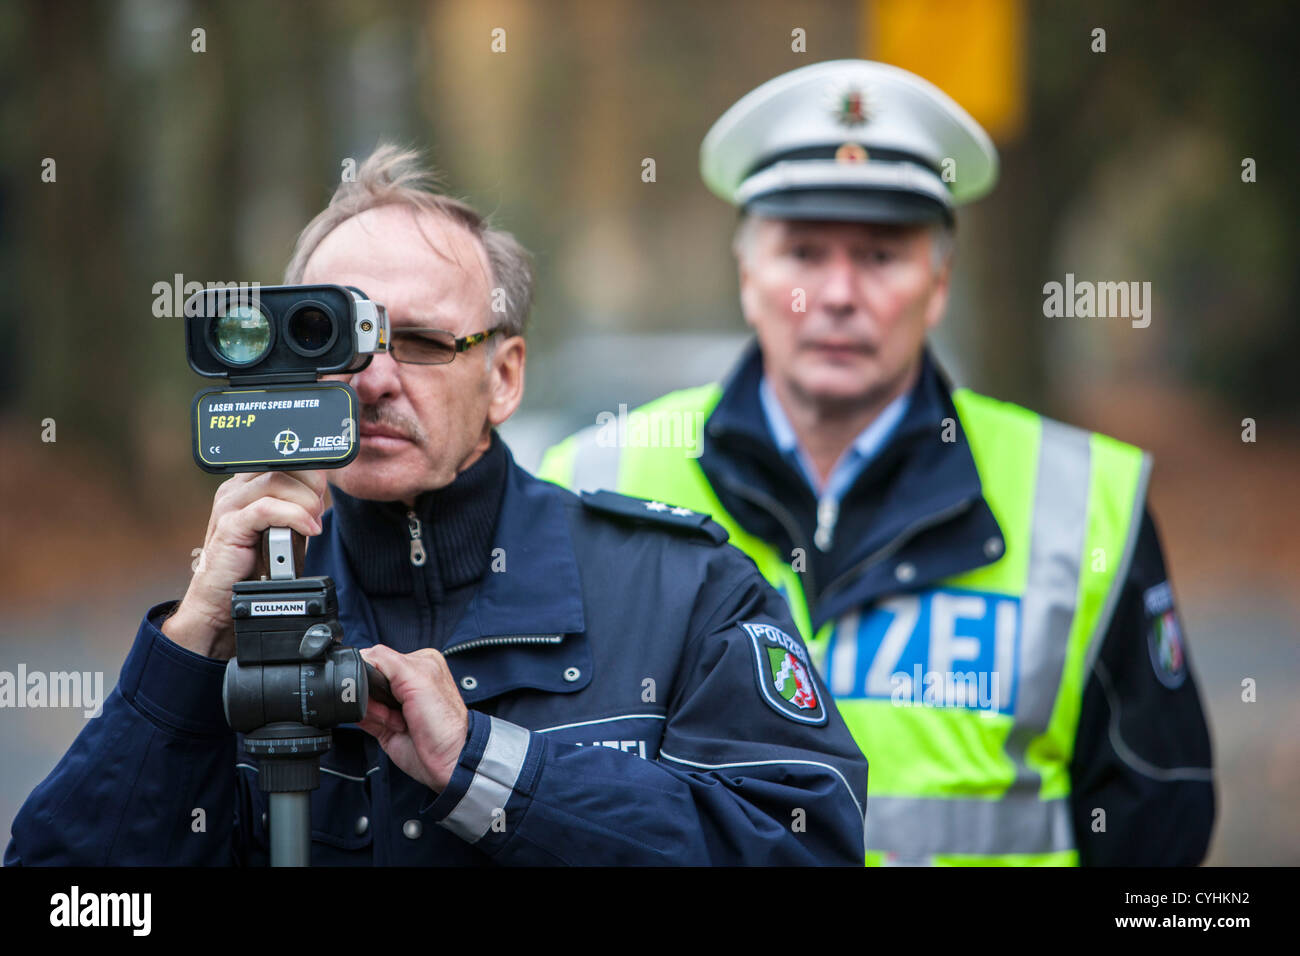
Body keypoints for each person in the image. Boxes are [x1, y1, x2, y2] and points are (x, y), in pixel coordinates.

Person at [5, 144, 867, 866]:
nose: (375, 380)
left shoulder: (683, 592)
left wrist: (492, 769)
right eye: (332, 336)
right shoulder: (233, 615)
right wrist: (187, 658)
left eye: (419, 342)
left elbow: (808, 846)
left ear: (505, 376)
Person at [539, 60, 1215, 865]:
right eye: (803, 252)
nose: (837, 294)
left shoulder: (1086, 501)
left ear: (938, 282)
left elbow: (1160, 824)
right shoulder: (588, 483)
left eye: (880, 256)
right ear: (748, 275)